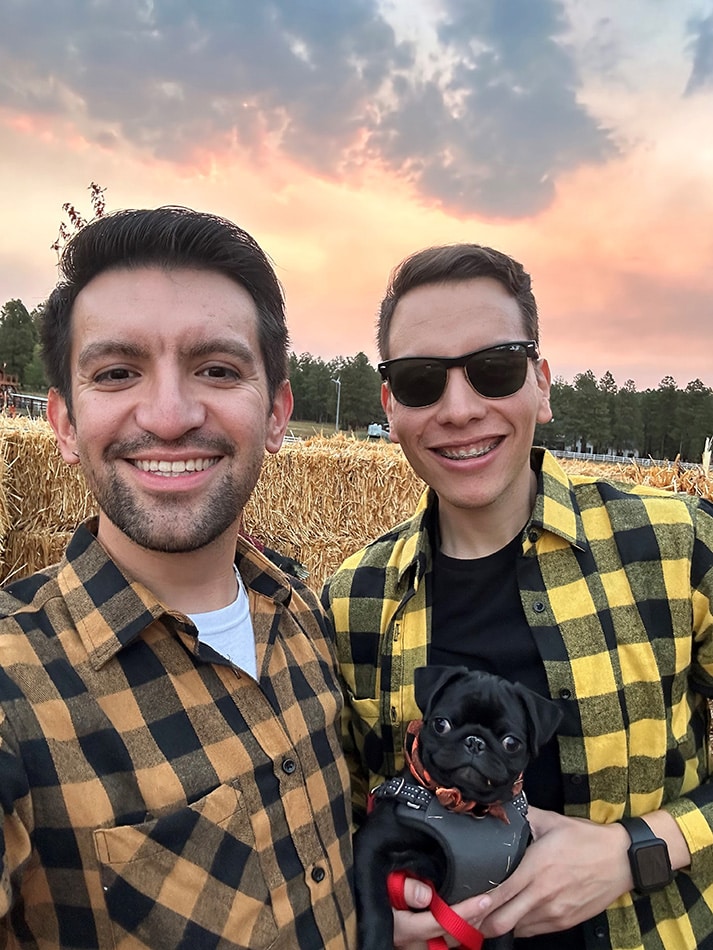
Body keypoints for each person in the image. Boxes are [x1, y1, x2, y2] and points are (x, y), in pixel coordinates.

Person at [322, 243, 713, 949]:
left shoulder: (675, 545)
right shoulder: (351, 600)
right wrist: (376, 912)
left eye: (493, 369)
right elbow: (340, 821)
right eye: (419, 382)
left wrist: (642, 848)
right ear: (390, 405)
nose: (459, 408)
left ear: (540, 383)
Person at [0, 206, 356, 949]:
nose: (168, 415)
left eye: (217, 370)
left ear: (277, 415)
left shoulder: (301, 611)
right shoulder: (15, 687)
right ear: (63, 424)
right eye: (118, 372)